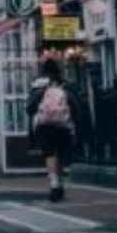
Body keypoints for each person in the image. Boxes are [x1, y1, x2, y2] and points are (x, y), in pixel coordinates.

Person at [27, 59, 78, 202]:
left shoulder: (38, 84)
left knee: (49, 154)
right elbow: (74, 105)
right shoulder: (65, 84)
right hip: (63, 124)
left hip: (44, 125)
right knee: (60, 155)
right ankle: (60, 185)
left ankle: (54, 183)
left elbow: (30, 107)